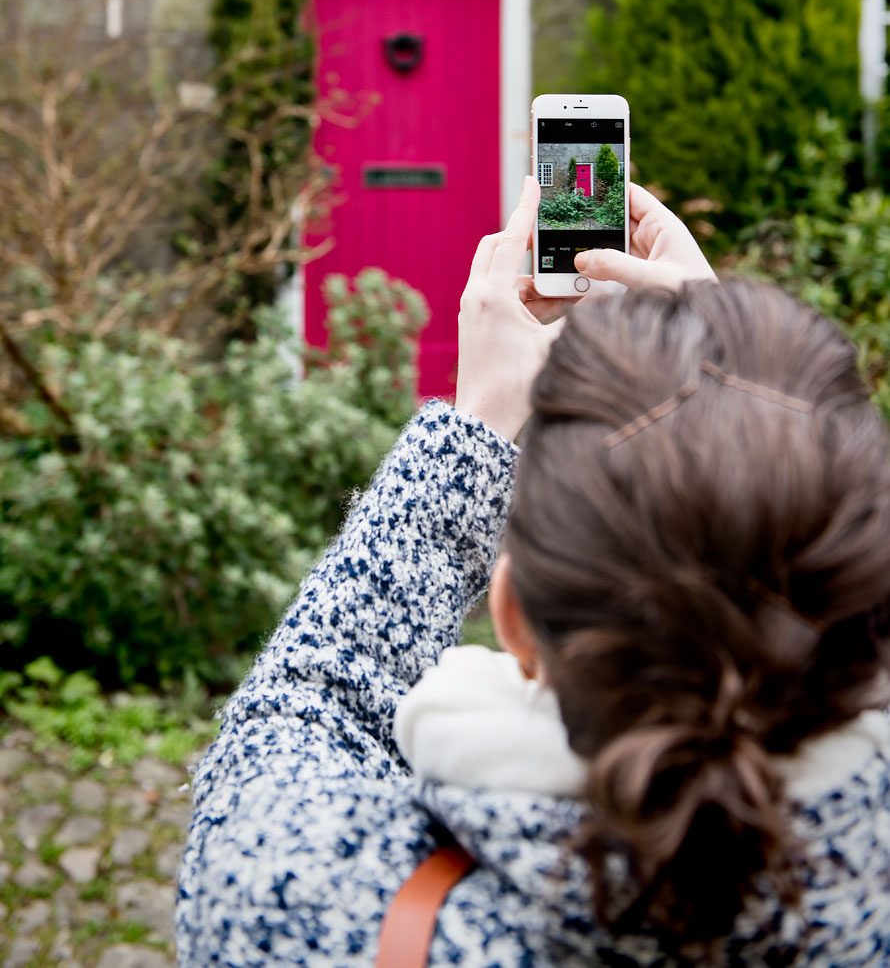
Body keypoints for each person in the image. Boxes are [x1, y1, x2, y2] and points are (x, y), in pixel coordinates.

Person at [176, 179, 890, 967]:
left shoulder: (302, 899)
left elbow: (305, 704)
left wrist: (477, 418)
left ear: (510, 613)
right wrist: (756, 419)